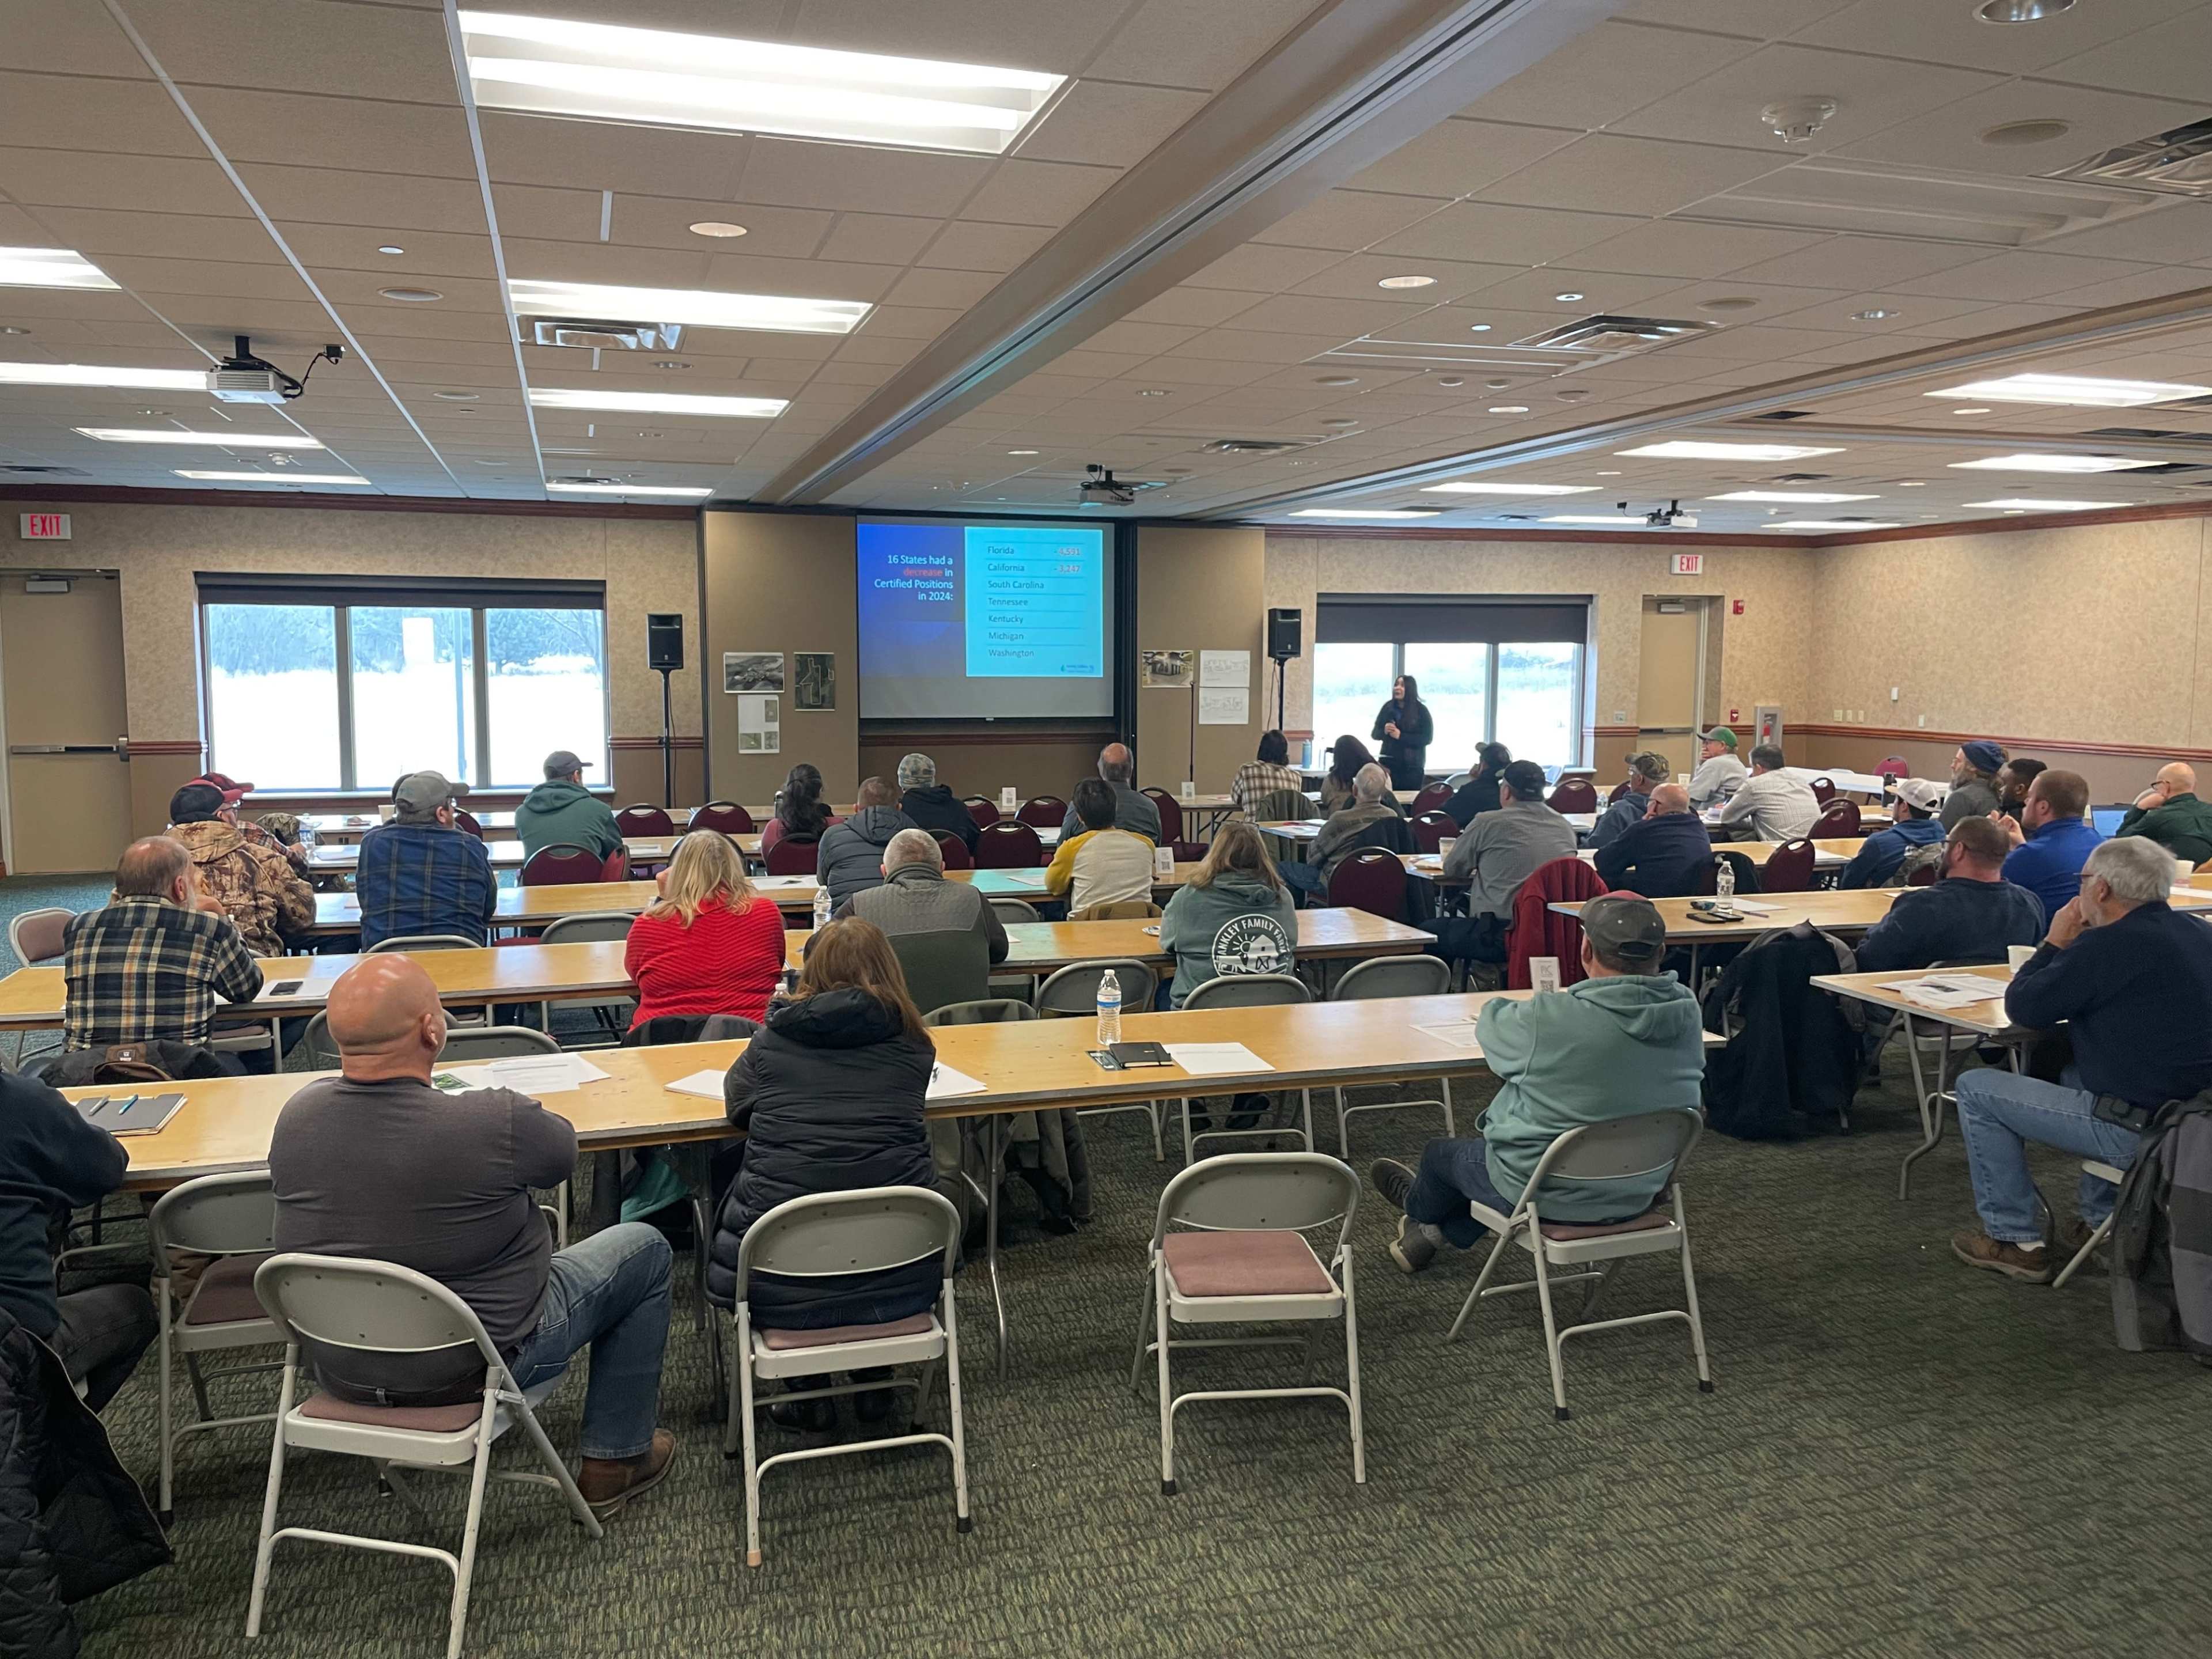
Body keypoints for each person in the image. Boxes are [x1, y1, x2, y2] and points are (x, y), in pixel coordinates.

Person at [268, 956, 677, 1516]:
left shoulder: (297, 1116)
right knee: (645, 1249)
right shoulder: (491, 1120)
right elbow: (562, 1156)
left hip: (343, 1364)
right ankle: (615, 1460)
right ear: (434, 1030)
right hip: (479, 1358)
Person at [1369, 894, 1704, 1273]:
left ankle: (1419, 1212)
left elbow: (1491, 1024)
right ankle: (1432, 1236)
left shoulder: (1555, 1017)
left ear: (1586, 948)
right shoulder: (1687, 1010)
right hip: (1643, 1185)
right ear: (1662, 951)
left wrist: (1549, 1006)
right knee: (1521, 1163)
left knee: (1444, 1156)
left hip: (1548, 1191)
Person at [706, 918, 941, 1430]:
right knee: (873, 1193)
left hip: (778, 1284)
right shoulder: (916, 1049)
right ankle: (875, 1384)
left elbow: (738, 1104)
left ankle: (808, 1393)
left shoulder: (771, 1043)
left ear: (809, 972)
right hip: (903, 1276)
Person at [1950, 837, 2212, 1282]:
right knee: (2074, 1072)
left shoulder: (2105, 947)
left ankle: (2016, 1240)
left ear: (2103, 890)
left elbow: (2026, 1008)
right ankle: (2103, 1223)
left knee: (1977, 1088)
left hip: (2143, 1131)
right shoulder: (2201, 933)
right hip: (2198, 1124)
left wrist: (2053, 944)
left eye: (2083, 881)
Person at [0, 1070, 157, 1410]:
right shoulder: (19, 1100)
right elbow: (106, 1167)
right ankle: (45, 1439)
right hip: (14, 1344)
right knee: (136, 1308)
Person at [62, 836, 263, 1051]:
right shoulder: (208, 927)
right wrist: (220, 914)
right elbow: (246, 989)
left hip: (89, 1072)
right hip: (178, 1070)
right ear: (180, 887)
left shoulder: (78, 927)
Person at [623, 830, 786, 1030]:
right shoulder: (766, 913)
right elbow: (777, 963)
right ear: (735, 868)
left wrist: (665, 900)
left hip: (662, 1042)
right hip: (749, 1040)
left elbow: (637, 978)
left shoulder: (648, 924)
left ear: (677, 871)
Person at [838, 829, 1008, 1011]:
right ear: (942, 868)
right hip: (969, 1027)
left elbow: (818, 955)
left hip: (890, 1030)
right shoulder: (973, 898)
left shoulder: (857, 905)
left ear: (884, 871)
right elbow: (999, 951)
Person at [1851, 817, 2046, 974]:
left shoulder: (1920, 906)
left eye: (1947, 844)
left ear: (1958, 850)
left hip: (1913, 1013)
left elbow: (1870, 959)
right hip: (1995, 1010)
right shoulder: (2029, 905)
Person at [1432, 760, 1577, 961]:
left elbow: (1453, 869)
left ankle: (1448, 991)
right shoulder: (1564, 826)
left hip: (1499, 933)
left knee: (1429, 933)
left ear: (1506, 791)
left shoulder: (1487, 822)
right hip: (1554, 932)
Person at [165, 778, 315, 956]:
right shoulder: (263, 859)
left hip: (177, 967)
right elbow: (303, 916)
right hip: (256, 968)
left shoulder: (152, 864)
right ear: (223, 817)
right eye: (233, 810)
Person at [1157, 820, 1298, 1007]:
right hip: (1274, 1009)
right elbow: (1291, 943)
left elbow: (1167, 943)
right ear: (1262, 855)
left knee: (1162, 991)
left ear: (1214, 854)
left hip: (1201, 1013)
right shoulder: (1283, 897)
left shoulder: (1188, 898)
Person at [354, 770, 497, 949]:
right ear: (441, 814)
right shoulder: (471, 846)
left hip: (387, 963)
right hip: (462, 958)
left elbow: (365, 900)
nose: (454, 810)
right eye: (452, 804)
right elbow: (488, 907)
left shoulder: (372, 844)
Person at [1994, 768, 2101, 921]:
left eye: (2030, 797)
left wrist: (1990, 840)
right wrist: (2021, 845)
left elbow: (1985, 890)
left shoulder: (2030, 855)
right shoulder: (2100, 843)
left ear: (2043, 807)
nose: (2025, 801)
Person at [1045, 777, 1156, 913]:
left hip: (1087, 929)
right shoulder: (1146, 844)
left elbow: (1054, 886)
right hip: (1138, 926)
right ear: (1115, 808)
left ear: (1079, 817)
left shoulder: (1071, 848)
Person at [1592, 783, 1711, 899]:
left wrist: (1641, 824)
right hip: (1693, 901)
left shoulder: (1644, 830)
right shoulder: (1699, 827)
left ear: (1654, 805)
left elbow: (1604, 863)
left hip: (1654, 903)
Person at [815, 777, 916, 907]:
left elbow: (823, 882)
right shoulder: (919, 838)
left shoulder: (832, 836)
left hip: (846, 921)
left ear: (856, 809)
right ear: (899, 807)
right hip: (902, 918)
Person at [514, 749, 622, 862]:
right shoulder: (600, 810)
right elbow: (616, 854)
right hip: (589, 879)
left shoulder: (522, 813)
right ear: (576, 775)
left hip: (537, 879)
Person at [1836, 778, 1945, 889]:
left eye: (1896, 800)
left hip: (1877, 903)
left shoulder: (1879, 843)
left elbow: (1849, 883)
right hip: (1925, 902)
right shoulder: (1943, 839)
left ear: (1904, 807)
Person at [189, 772, 309, 870]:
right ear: (221, 815)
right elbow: (295, 865)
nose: (236, 812)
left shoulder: (174, 842)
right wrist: (298, 851)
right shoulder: (248, 832)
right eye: (234, 805)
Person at [1308, 763, 1406, 879]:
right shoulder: (1392, 817)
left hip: (1338, 881)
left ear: (1354, 790)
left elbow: (1312, 858)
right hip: (1380, 880)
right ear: (1383, 793)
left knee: (1285, 868)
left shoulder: (1339, 820)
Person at [2115, 761, 2212, 867]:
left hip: (2174, 880)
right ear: (2193, 785)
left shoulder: (2158, 817)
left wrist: (2141, 807)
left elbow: (2119, 845)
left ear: (2165, 786)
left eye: (2157, 786)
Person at [1058, 744, 1161, 843]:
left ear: (1101, 769)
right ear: (1131, 769)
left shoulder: (1082, 805)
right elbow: (1157, 847)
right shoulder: (1150, 807)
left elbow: (1062, 844)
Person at [1716, 744, 1819, 843]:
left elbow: (1726, 818)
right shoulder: (1801, 782)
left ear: (1759, 768)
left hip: (1781, 851)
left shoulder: (1753, 785)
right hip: (1813, 850)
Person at [894, 752, 978, 851]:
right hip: (957, 864)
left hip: (916, 866)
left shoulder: (898, 811)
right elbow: (976, 841)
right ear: (931, 778)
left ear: (901, 781)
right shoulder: (958, 806)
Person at [1588, 752, 1668, 849]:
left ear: (1639, 780)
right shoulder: (1676, 810)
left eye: (1632, 772)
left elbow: (1596, 847)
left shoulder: (1618, 813)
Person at [1372, 673, 1433, 793]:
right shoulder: (1388, 708)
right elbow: (1375, 734)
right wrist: (1384, 731)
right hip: (1388, 766)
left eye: (1402, 686)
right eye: (1396, 685)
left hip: (1412, 768)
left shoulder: (1421, 711)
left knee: (1408, 803)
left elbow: (1427, 738)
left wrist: (1401, 736)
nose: (1397, 688)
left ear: (1410, 689)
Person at [760, 763, 833, 855]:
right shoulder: (837, 828)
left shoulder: (773, 830)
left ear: (788, 791)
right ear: (820, 791)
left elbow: (768, 861)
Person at [1230, 730, 1305, 814]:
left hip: (1254, 826)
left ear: (1261, 749)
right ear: (1285, 752)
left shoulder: (1246, 770)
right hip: (1283, 827)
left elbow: (1235, 799)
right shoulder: (1296, 777)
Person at [1319, 736, 1399, 814]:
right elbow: (1388, 796)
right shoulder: (1381, 774)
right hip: (1379, 821)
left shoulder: (1333, 780)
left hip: (1342, 824)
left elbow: (1324, 800)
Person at [1940, 740, 2006, 829]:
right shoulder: (1996, 793)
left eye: (1958, 761)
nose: (1952, 765)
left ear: (1972, 767)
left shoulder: (1961, 797)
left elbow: (1941, 835)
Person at [1444, 743, 1510, 828]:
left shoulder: (1471, 790)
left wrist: (1476, 783)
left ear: (1484, 765)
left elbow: (1444, 815)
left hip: (1469, 838)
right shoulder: (1511, 794)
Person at [1686, 727, 1747, 810]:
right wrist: (1702, 764)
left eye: (1708, 743)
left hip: (1714, 818)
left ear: (1722, 745)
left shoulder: (1715, 763)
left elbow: (1693, 797)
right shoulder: (1736, 763)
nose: (1704, 747)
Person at [1994, 757, 2046, 824]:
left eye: (2004, 783)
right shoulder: (2044, 817)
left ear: (2020, 789)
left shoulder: (2013, 823)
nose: (2000, 789)